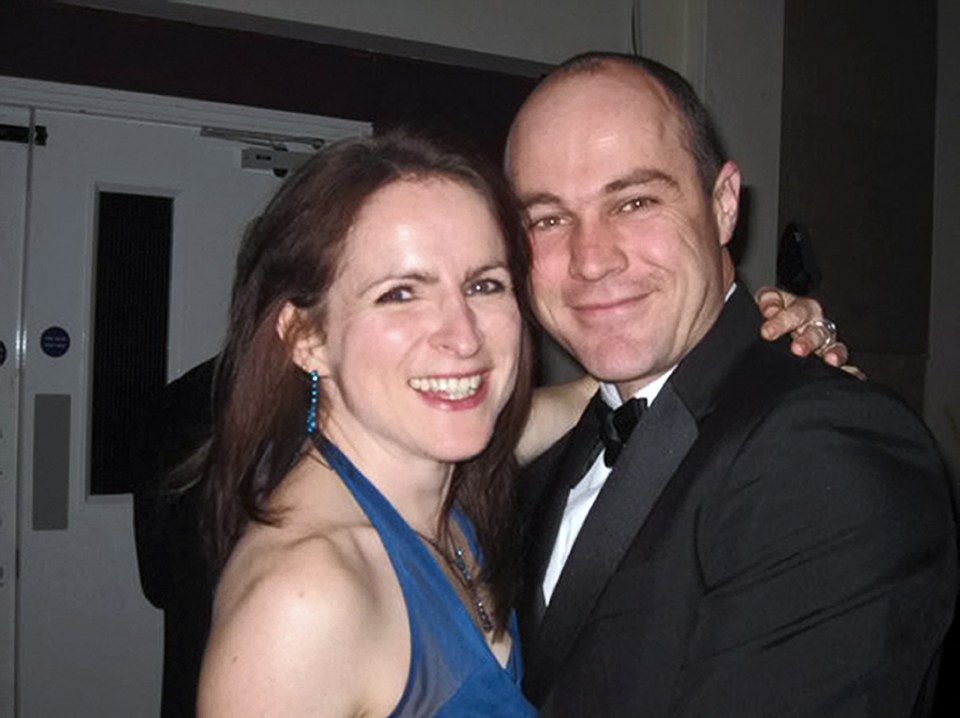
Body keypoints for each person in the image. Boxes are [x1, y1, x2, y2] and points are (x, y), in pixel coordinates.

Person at [508, 53, 958, 716]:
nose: (591, 259)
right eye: (547, 218)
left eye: (634, 201)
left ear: (722, 206)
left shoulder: (823, 451)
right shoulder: (552, 453)